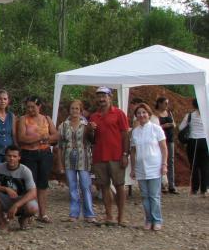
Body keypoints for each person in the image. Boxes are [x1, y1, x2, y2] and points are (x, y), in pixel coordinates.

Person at [86, 86, 130, 227]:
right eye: (99, 96)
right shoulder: (93, 116)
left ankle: (121, 217)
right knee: (104, 186)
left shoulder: (119, 113)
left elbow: (125, 135)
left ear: (110, 97)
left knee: (120, 185)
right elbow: (90, 140)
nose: (101, 99)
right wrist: (89, 130)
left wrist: (125, 154)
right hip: (99, 156)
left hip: (116, 155)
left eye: (104, 96)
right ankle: (109, 216)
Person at [17, 96, 58, 224]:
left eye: (33, 107)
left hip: (44, 153)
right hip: (29, 154)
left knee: (43, 184)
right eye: (28, 107)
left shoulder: (46, 119)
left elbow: (56, 135)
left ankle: (43, 213)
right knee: (30, 183)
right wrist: (39, 138)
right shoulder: (23, 119)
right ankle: (29, 213)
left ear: (39, 106)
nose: (30, 109)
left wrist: (48, 139)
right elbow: (21, 138)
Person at [57, 100, 96, 224]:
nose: (74, 111)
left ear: (81, 110)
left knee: (85, 185)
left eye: (77, 109)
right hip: (69, 158)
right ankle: (74, 213)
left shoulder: (86, 125)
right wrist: (60, 163)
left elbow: (92, 142)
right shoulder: (63, 126)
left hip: (83, 158)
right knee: (72, 187)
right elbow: (60, 146)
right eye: (72, 108)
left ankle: (89, 213)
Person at [130, 103, 168, 230]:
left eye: (144, 112)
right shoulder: (135, 132)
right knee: (144, 196)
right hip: (141, 168)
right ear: (136, 116)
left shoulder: (156, 129)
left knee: (154, 196)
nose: (142, 115)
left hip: (154, 167)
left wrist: (164, 164)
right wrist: (133, 168)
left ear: (149, 114)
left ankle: (157, 220)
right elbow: (133, 151)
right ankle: (148, 219)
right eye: (139, 113)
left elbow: (164, 148)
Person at [0, 145, 39, 234]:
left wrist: (16, 205)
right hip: (6, 199)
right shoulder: (0, 167)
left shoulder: (25, 171)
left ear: (19, 158)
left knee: (33, 207)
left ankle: (23, 218)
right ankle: (2, 223)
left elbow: (33, 192)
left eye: (14, 156)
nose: (11, 158)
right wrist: (5, 189)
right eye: (9, 156)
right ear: (5, 156)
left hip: (21, 200)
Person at [179, 98, 209, 196]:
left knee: (194, 166)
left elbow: (181, 127)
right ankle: (204, 189)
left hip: (193, 141)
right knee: (205, 166)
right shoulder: (207, 115)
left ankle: (195, 189)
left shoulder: (190, 116)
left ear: (194, 105)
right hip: (205, 141)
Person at [154, 96, 178, 194]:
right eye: (165, 103)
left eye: (167, 103)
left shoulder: (169, 113)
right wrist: (164, 126)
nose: (167, 105)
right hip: (159, 140)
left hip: (170, 138)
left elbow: (174, 124)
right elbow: (154, 126)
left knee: (170, 161)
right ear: (159, 103)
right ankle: (161, 184)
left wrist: (172, 125)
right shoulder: (155, 114)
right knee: (159, 161)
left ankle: (171, 185)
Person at [0, 89, 17, 164]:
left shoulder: (11, 116)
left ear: (8, 101)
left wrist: (17, 149)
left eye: (5, 99)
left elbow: (14, 135)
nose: (3, 101)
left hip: (9, 153)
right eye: (0, 99)